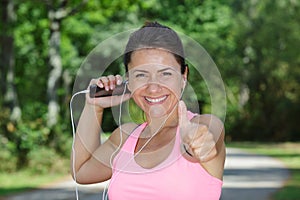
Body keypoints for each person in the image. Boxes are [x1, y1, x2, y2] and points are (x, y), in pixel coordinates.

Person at [71, 21, 225, 200]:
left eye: (165, 74)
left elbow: (209, 138)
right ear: (128, 80)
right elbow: (80, 171)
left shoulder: (204, 124)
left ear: (183, 77)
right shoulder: (125, 137)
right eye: (141, 75)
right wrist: (93, 107)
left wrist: (199, 141)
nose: (153, 88)